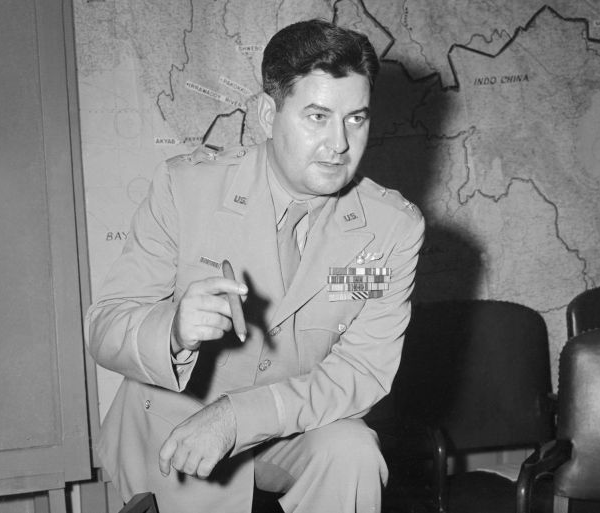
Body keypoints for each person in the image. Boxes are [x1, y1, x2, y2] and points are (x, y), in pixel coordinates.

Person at [86, 18, 425, 513]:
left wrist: (239, 417)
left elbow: (361, 370)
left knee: (351, 451)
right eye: (316, 117)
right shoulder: (186, 190)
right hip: (175, 427)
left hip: (285, 425)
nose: (340, 144)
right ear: (268, 114)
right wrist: (174, 329)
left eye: (356, 118)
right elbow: (104, 325)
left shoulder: (390, 228)